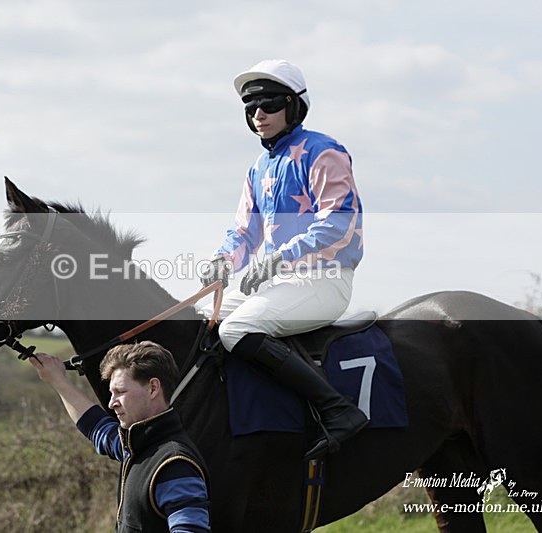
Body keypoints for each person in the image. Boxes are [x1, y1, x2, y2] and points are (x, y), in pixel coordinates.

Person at [201, 59, 368, 460]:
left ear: (293, 106)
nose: (259, 115)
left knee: (235, 330)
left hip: (325, 279)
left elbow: (339, 223)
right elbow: (244, 232)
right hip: (281, 283)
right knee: (203, 323)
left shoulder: (323, 151)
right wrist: (223, 259)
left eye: (269, 104)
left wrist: (278, 258)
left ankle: (337, 410)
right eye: (251, 108)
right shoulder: (259, 168)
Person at [30, 341, 211, 533]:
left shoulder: (174, 464)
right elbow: (97, 428)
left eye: (121, 392)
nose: (111, 403)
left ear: (153, 388)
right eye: (111, 393)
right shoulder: (137, 446)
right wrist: (57, 380)